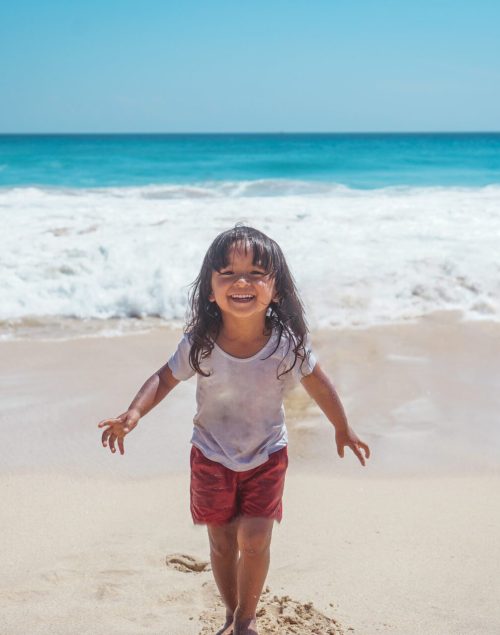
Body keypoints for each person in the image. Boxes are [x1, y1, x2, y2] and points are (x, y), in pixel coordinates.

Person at [98, 225, 370, 635]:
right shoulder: (200, 342)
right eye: (227, 272)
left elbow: (318, 382)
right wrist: (134, 412)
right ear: (210, 289)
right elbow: (165, 378)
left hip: (267, 454)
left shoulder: (287, 343)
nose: (242, 282)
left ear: (275, 289)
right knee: (222, 544)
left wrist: (342, 427)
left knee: (255, 539)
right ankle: (231, 612)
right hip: (210, 455)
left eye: (257, 273)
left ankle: (246, 619)